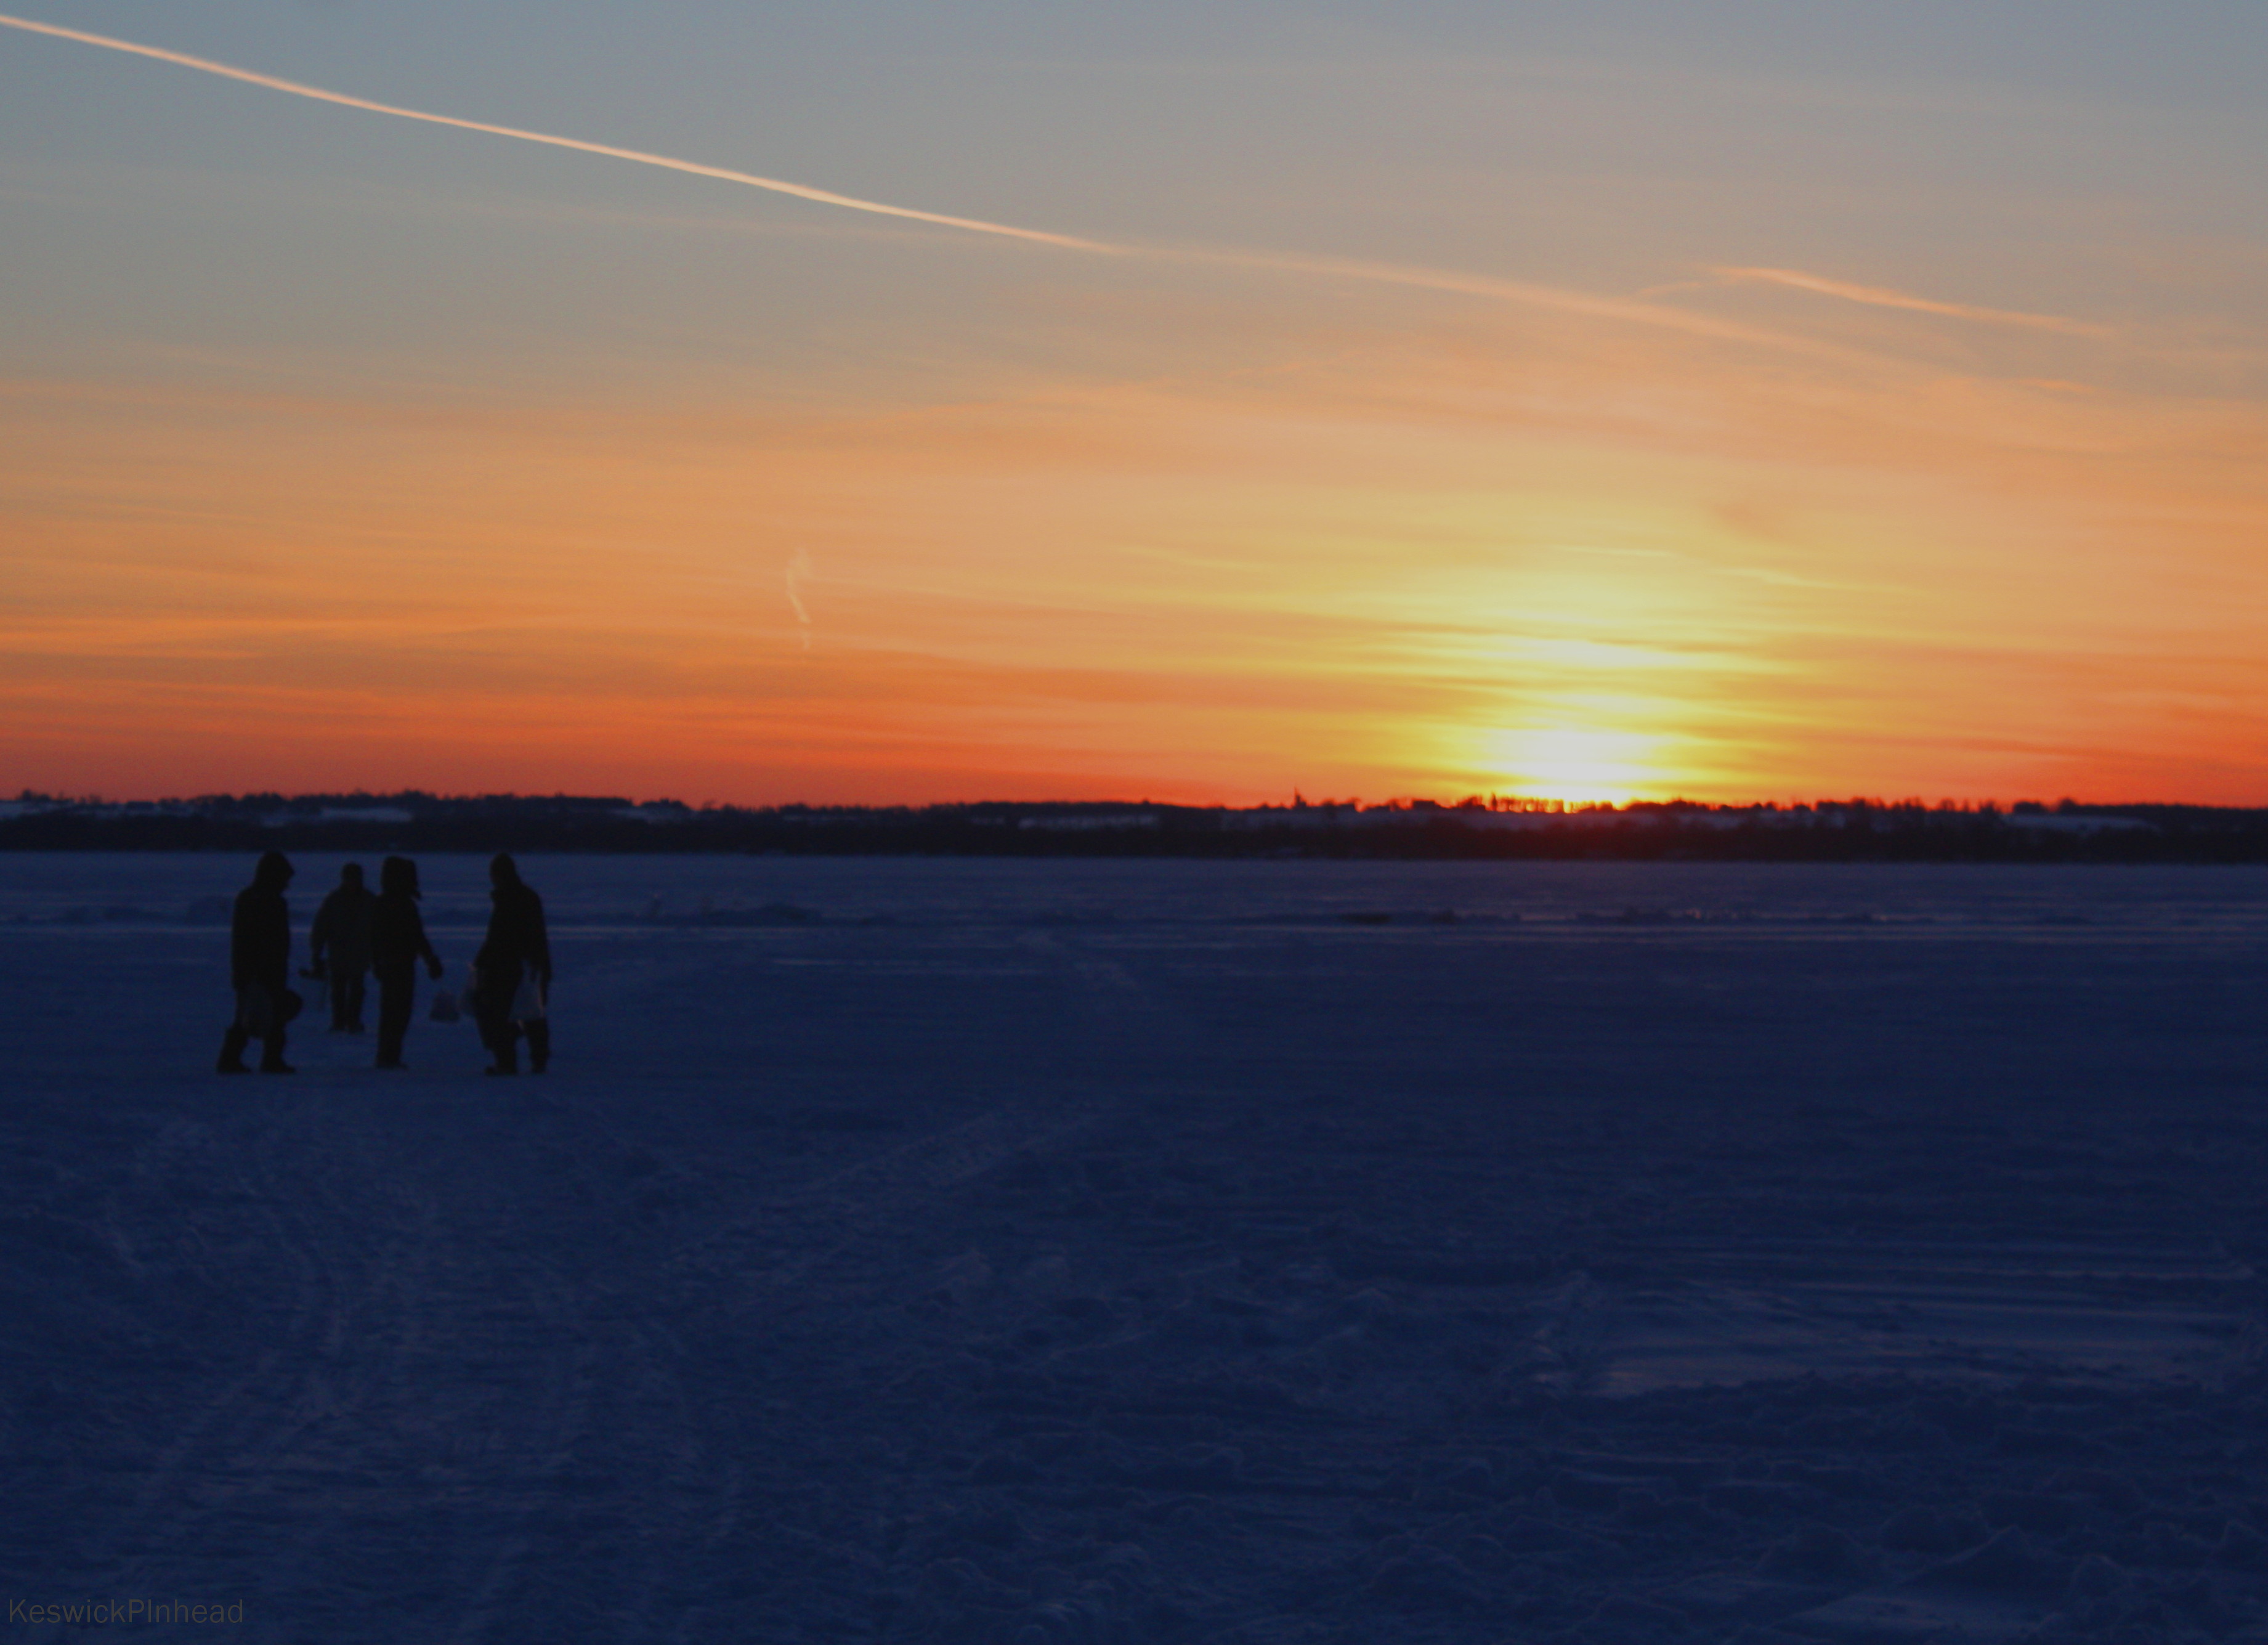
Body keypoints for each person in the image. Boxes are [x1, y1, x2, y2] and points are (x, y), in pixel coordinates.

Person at [217, 850, 299, 1074]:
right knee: (248, 1015)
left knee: (275, 1014)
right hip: (254, 969)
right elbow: (245, 938)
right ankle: (231, 1059)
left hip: (271, 967)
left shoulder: (270, 900)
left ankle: (270, 1059)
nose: (286, 883)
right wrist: (249, 971)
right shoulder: (254, 900)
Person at [471, 852, 551, 1075]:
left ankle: (506, 1063)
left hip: (507, 965)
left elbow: (497, 937)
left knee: (500, 1015)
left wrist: (482, 963)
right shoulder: (528, 897)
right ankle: (539, 1059)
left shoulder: (506, 899)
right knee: (532, 1013)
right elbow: (538, 935)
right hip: (530, 964)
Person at [370, 856, 443, 1071]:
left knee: (396, 1011)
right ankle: (387, 1056)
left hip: (395, 962)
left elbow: (414, 935)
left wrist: (430, 958)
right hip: (396, 963)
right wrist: (429, 958)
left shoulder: (390, 903)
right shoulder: (397, 904)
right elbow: (415, 935)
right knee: (397, 1011)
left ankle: (388, 1055)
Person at [309, 863, 378, 1033]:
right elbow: (321, 926)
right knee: (338, 989)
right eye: (350, 878)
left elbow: (379, 927)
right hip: (339, 952)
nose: (353, 882)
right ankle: (339, 1021)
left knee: (357, 990)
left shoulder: (369, 900)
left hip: (360, 953)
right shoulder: (334, 900)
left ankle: (353, 1021)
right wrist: (317, 949)